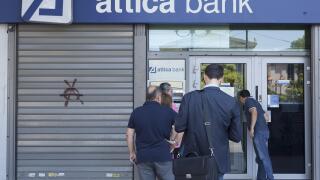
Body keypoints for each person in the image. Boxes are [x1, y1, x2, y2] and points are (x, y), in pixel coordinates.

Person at [173, 64, 242, 180]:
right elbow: (236, 136)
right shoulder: (231, 102)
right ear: (222, 79)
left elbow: (179, 127)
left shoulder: (189, 98)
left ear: (204, 77)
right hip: (218, 160)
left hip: (192, 157)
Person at [126, 86, 177, 180]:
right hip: (163, 155)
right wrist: (173, 141)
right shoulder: (168, 111)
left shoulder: (136, 112)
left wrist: (132, 152)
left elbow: (129, 134)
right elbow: (179, 127)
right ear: (158, 97)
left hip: (143, 156)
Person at [238, 90, 274, 180]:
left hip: (259, 133)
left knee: (263, 157)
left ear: (242, 97)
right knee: (260, 158)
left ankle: (270, 177)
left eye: (240, 99)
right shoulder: (255, 101)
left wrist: (252, 128)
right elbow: (266, 116)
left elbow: (254, 112)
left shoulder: (248, 101)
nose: (240, 101)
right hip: (264, 131)